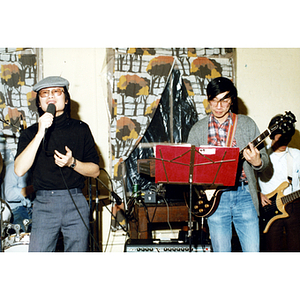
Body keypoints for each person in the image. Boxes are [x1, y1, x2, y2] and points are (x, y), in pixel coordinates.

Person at [14, 76, 100, 252]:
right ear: (39, 103)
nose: (50, 96)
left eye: (56, 91)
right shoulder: (30, 134)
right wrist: (40, 133)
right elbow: (19, 169)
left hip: (75, 201)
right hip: (44, 204)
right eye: (44, 93)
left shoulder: (81, 128)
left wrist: (72, 163)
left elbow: (96, 171)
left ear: (66, 99)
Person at [187, 77, 270, 252]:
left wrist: (258, 162)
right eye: (214, 100)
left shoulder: (247, 124)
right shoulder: (197, 129)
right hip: (215, 199)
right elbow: (190, 168)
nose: (218, 106)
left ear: (232, 100)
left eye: (224, 100)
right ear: (208, 100)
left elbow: (265, 161)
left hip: (245, 195)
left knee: (253, 251)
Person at [259, 114, 300, 251]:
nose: (284, 142)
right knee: (272, 250)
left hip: (294, 205)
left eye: (287, 139)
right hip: (269, 208)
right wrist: (258, 194)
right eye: (281, 138)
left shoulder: (297, 155)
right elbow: (249, 180)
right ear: (272, 136)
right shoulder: (261, 156)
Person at [1, 161, 34, 232]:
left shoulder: (33, 169)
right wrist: (35, 187)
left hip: (29, 208)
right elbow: (9, 195)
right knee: (23, 238)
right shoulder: (13, 167)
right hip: (16, 210)